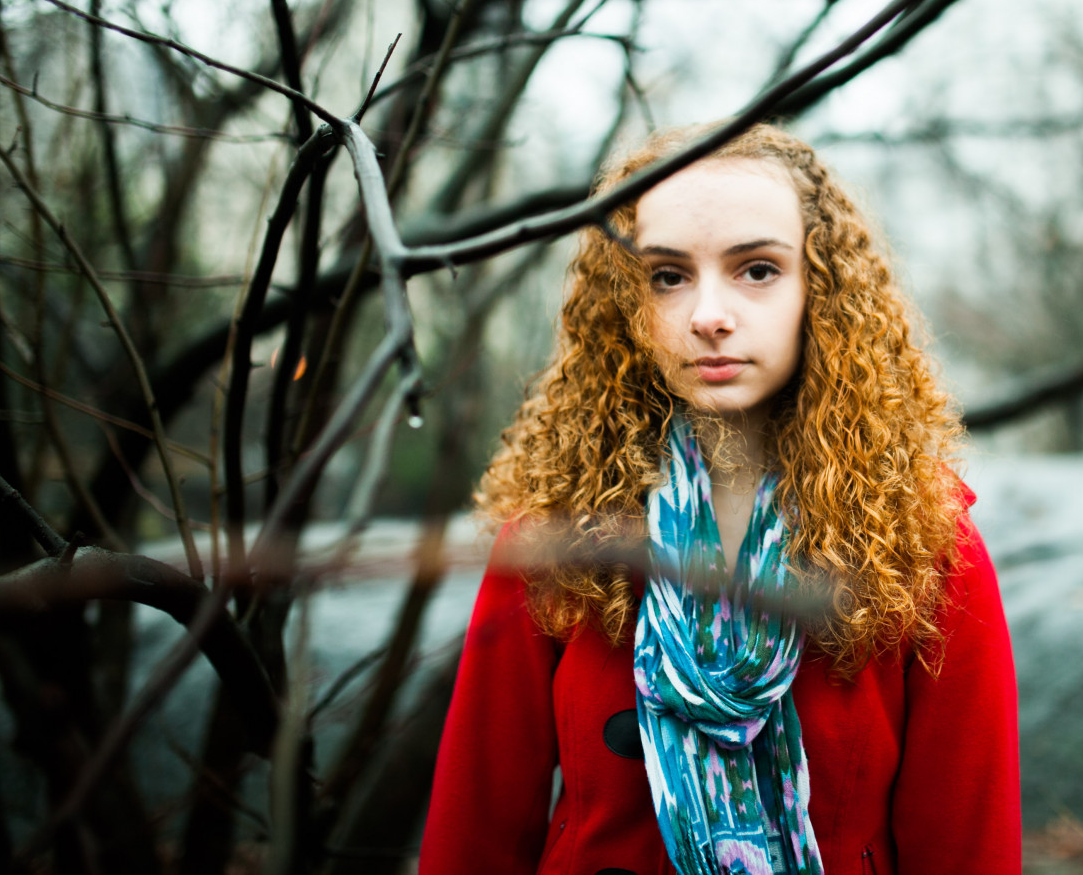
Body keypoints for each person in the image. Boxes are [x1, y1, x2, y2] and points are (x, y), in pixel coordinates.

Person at [419, 123, 1020, 875]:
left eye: (758, 270)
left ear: (820, 290)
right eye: (667, 276)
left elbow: (967, 842)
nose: (709, 314)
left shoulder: (925, 543)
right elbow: (476, 824)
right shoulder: (557, 526)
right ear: (626, 304)